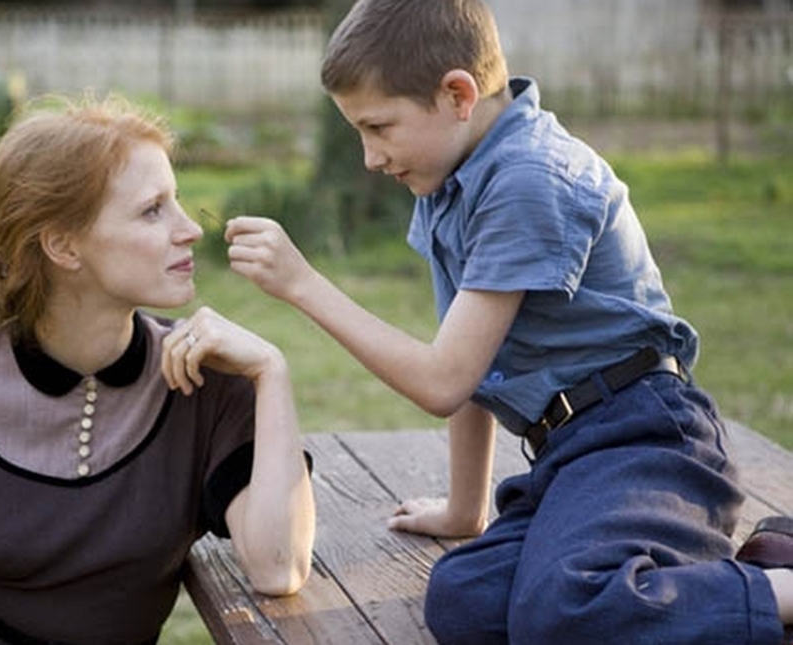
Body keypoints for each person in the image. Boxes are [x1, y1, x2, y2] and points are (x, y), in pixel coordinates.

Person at [223, 0, 793, 643]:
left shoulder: (529, 179)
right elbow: (473, 370)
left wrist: (303, 285)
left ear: (457, 95)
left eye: (378, 127)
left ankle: (775, 588)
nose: (370, 157)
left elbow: (442, 382)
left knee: (565, 610)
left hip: (647, 440)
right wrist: (464, 512)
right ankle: (695, 589)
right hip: (571, 455)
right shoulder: (450, 184)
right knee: (463, 599)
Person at [0, 94, 315, 645]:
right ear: (63, 246)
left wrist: (271, 372)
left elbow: (280, 569)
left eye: (176, 201)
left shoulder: (206, 380)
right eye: (153, 210)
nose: (190, 229)